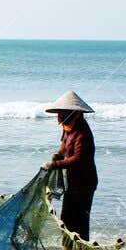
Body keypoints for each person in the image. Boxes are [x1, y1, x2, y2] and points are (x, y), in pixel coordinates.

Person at [41, 90, 97, 239]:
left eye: (63, 113)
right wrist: (57, 155)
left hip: (84, 184)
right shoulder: (68, 128)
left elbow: (78, 159)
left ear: (76, 113)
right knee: (66, 221)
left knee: (81, 223)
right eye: (59, 113)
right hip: (71, 183)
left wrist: (54, 165)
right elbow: (63, 147)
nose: (60, 117)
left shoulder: (82, 133)